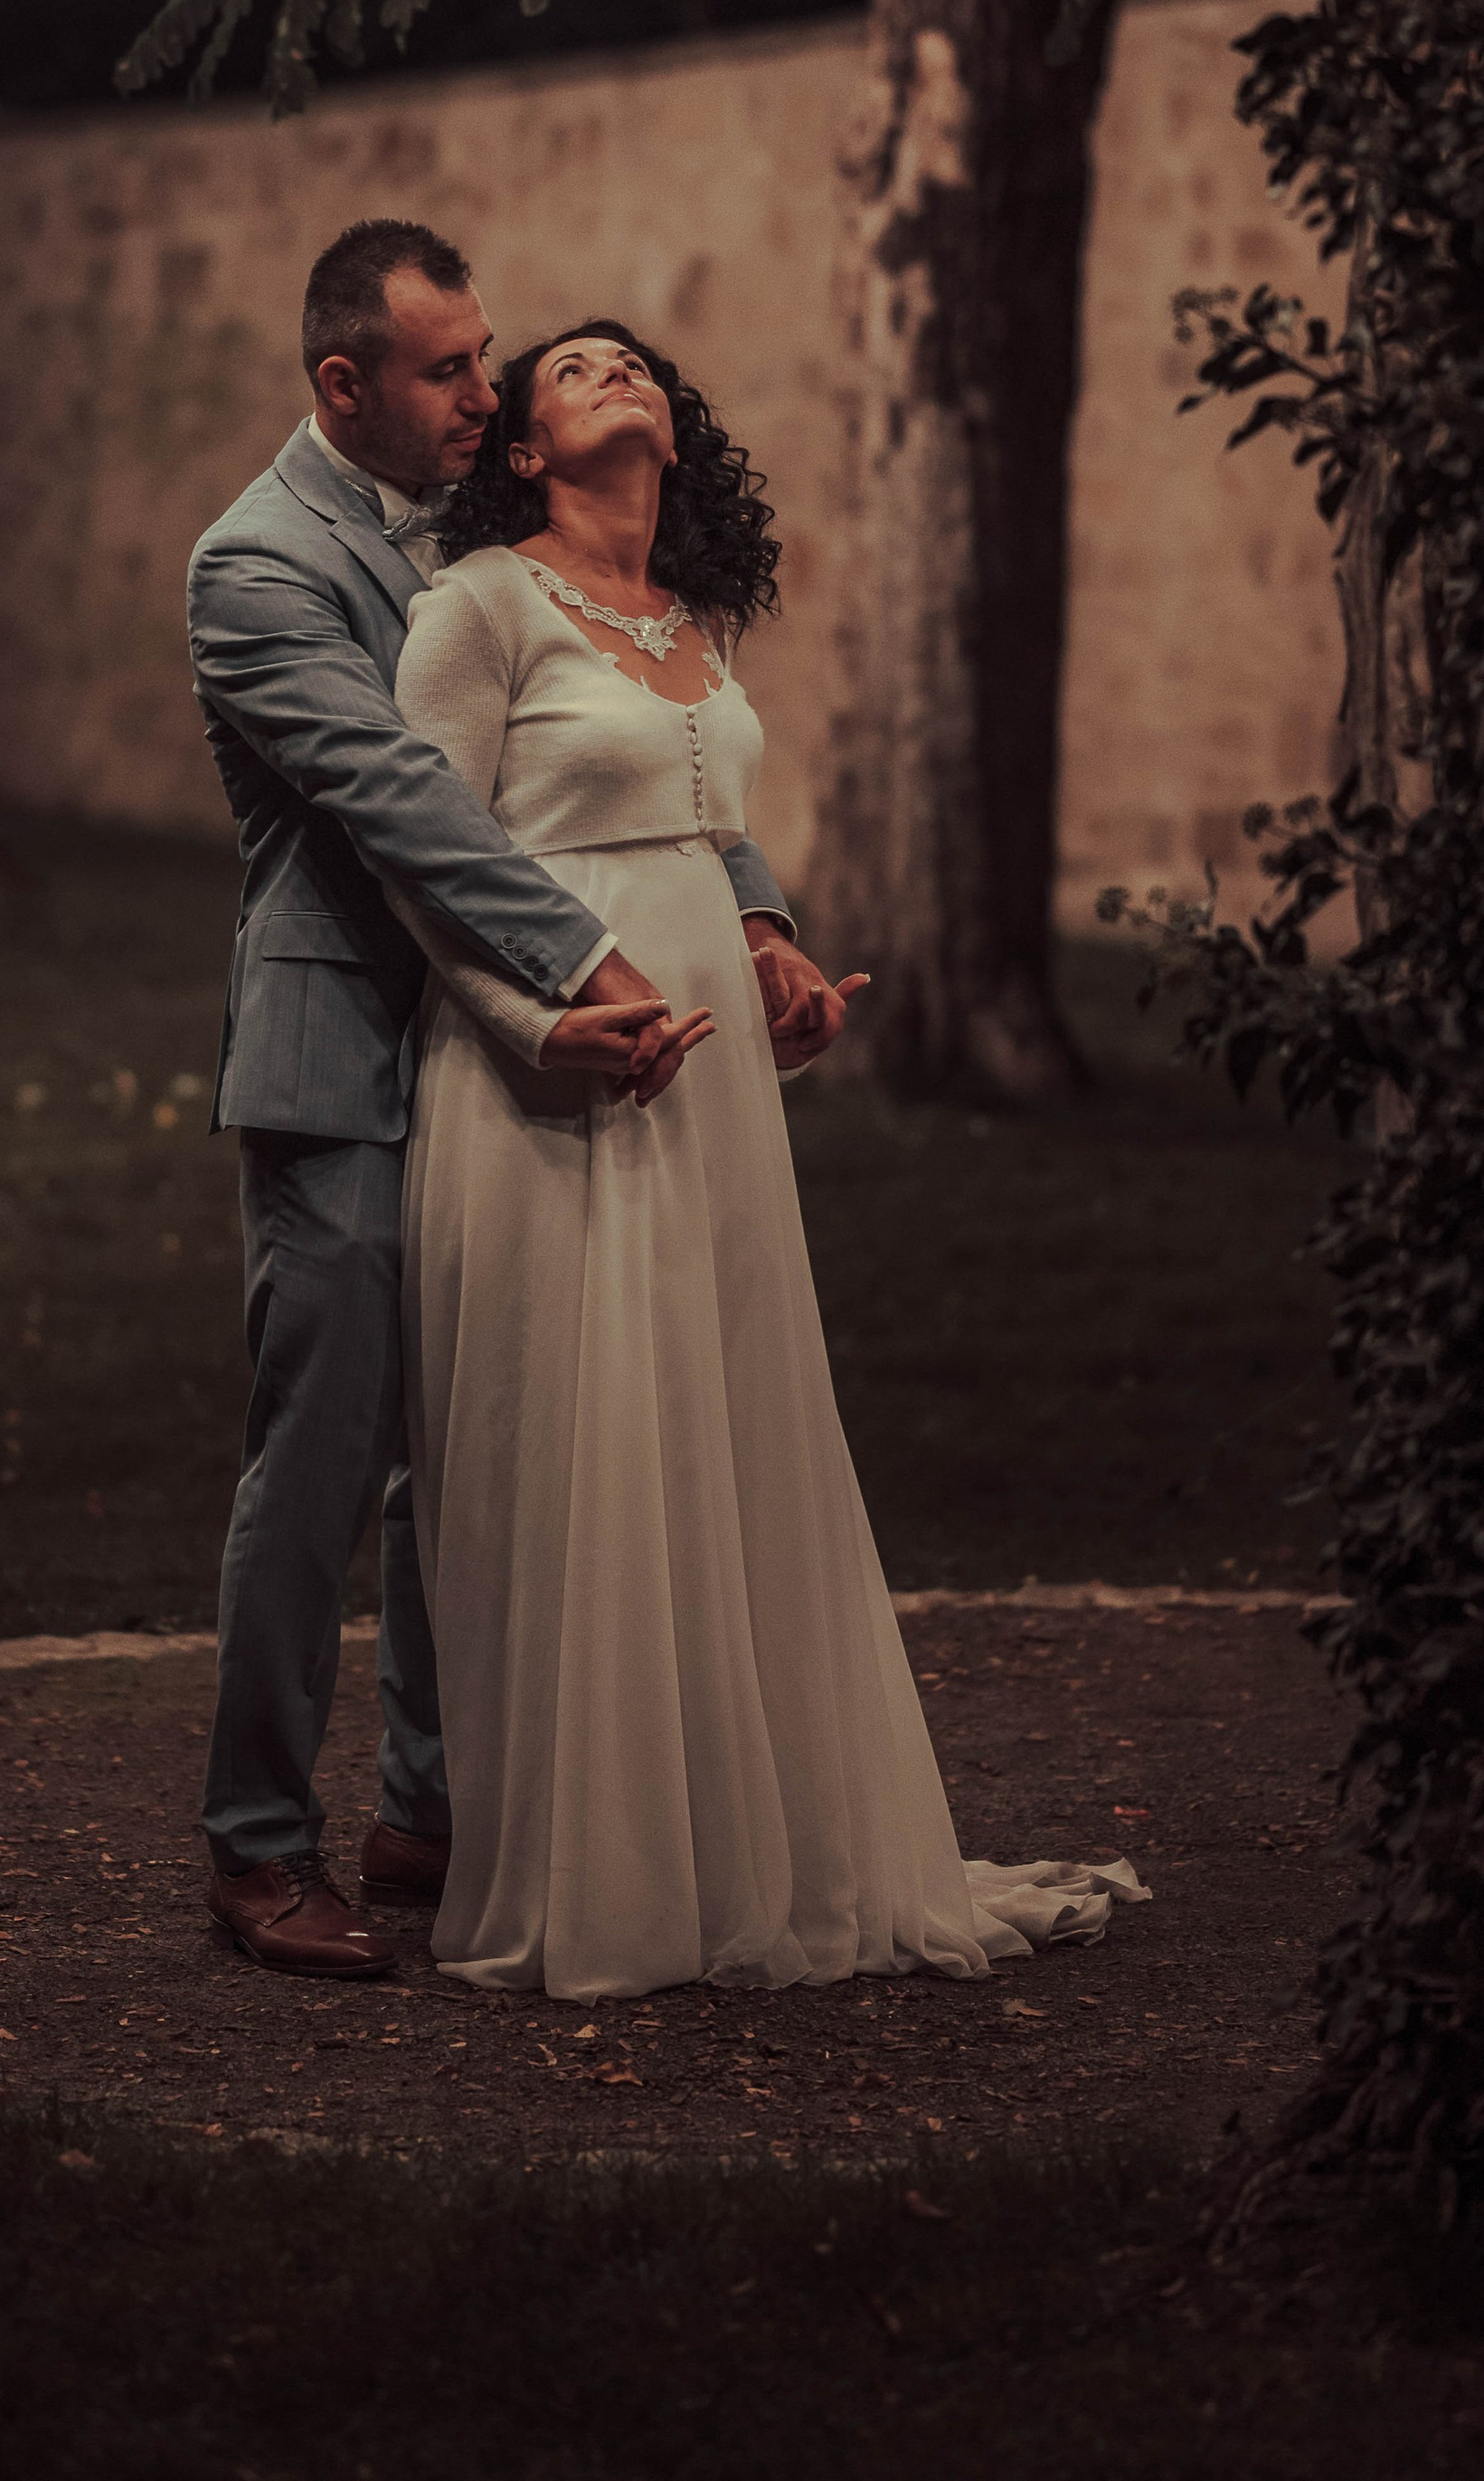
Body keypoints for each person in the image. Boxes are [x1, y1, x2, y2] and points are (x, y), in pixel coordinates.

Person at [391, 317, 1149, 1996]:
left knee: (716, 1426)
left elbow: (704, 816)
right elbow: (420, 861)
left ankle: (747, 1841)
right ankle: (600, 1869)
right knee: (580, 1439)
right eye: (573, 370)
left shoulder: (688, 622)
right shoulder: (480, 610)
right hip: (546, 1069)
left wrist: (770, 947)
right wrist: (537, 1029)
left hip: (713, 1080)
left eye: (632, 362)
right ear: (521, 447)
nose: (616, 375)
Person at [185, 224, 849, 1979]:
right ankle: (257, 1848)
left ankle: (431, 1798)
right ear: (343, 385)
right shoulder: (257, 562)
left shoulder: (479, 523)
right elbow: (399, 793)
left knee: (478, 1442)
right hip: (350, 1050)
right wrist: (595, 958)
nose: (481, 392)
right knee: (323, 1462)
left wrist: (751, 916)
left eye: (488, 361)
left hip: (509, 1052)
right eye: (443, 370)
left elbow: (635, 716)